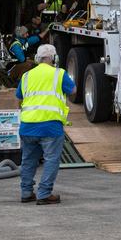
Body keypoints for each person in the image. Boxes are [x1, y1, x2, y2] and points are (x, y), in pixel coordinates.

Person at [16, 43, 75, 205]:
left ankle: (26, 192)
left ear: (37, 58)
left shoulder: (26, 76)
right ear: (54, 58)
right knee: (51, 160)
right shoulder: (59, 74)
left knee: (28, 161)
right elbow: (73, 90)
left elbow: (19, 97)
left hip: (28, 126)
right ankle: (44, 193)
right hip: (50, 126)